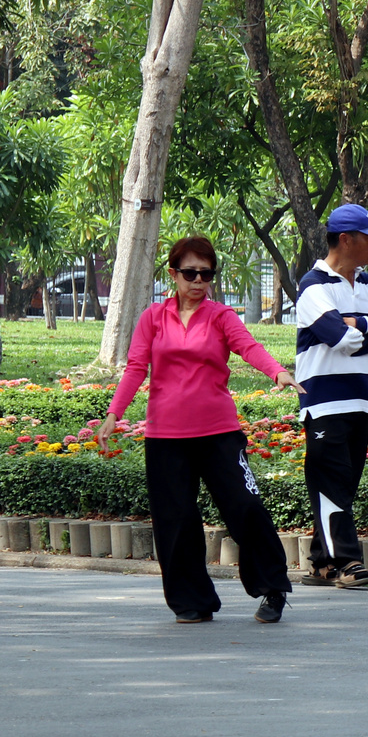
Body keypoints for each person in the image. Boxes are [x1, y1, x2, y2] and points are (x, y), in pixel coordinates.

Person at [98, 236, 301, 624]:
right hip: (165, 437)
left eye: (206, 274)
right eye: (190, 273)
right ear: (173, 274)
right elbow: (136, 368)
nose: (198, 280)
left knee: (245, 507)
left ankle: (273, 587)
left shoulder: (221, 316)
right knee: (175, 521)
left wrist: (277, 371)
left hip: (218, 432)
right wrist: (114, 414)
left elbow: (249, 347)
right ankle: (192, 601)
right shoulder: (153, 318)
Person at [295, 204, 368, 588]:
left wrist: (358, 322)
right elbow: (340, 339)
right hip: (324, 402)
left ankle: (321, 562)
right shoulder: (313, 287)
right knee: (332, 481)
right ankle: (347, 563)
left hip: (360, 399)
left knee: (342, 484)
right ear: (346, 240)